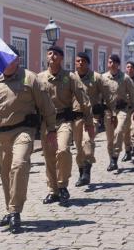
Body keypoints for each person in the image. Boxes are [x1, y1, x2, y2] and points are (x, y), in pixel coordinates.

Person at [0, 46, 56, 232]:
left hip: (23, 131)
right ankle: (10, 209)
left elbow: (46, 106)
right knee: (6, 175)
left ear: (17, 60)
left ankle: (15, 211)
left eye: (9, 58)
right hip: (0, 135)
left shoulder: (30, 78)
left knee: (20, 165)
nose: (5, 62)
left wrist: (52, 130)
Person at [37, 45, 94, 205]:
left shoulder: (70, 77)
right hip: (46, 124)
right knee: (49, 158)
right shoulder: (39, 78)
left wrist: (89, 122)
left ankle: (62, 185)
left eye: (56, 54)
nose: (52, 56)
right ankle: (53, 191)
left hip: (63, 121)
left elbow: (84, 100)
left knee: (63, 150)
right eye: (49, 53)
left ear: (62, 58)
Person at [71, 52, 107, 186]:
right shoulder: (70, 78)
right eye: (78, 61)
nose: (80, 63)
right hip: (76, 117)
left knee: (87, 141)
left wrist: (105, 109)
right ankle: (82, 174)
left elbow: (106, 94)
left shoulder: (96, 77)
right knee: (79, 147)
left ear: (88, 63)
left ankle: (87, 171)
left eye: (83, 61)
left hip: (92, 117)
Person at [101, 54, 134, 170]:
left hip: (122, 110)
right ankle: (112, 160)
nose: (112, 64)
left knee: (119, 131)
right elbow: (98, 94)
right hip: (108, 111)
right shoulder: (103, 78)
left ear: (118, 64)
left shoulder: (125, 78)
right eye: (110, 62)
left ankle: (115, 157)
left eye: (114, 62)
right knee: (110, 137)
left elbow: (132, 94)